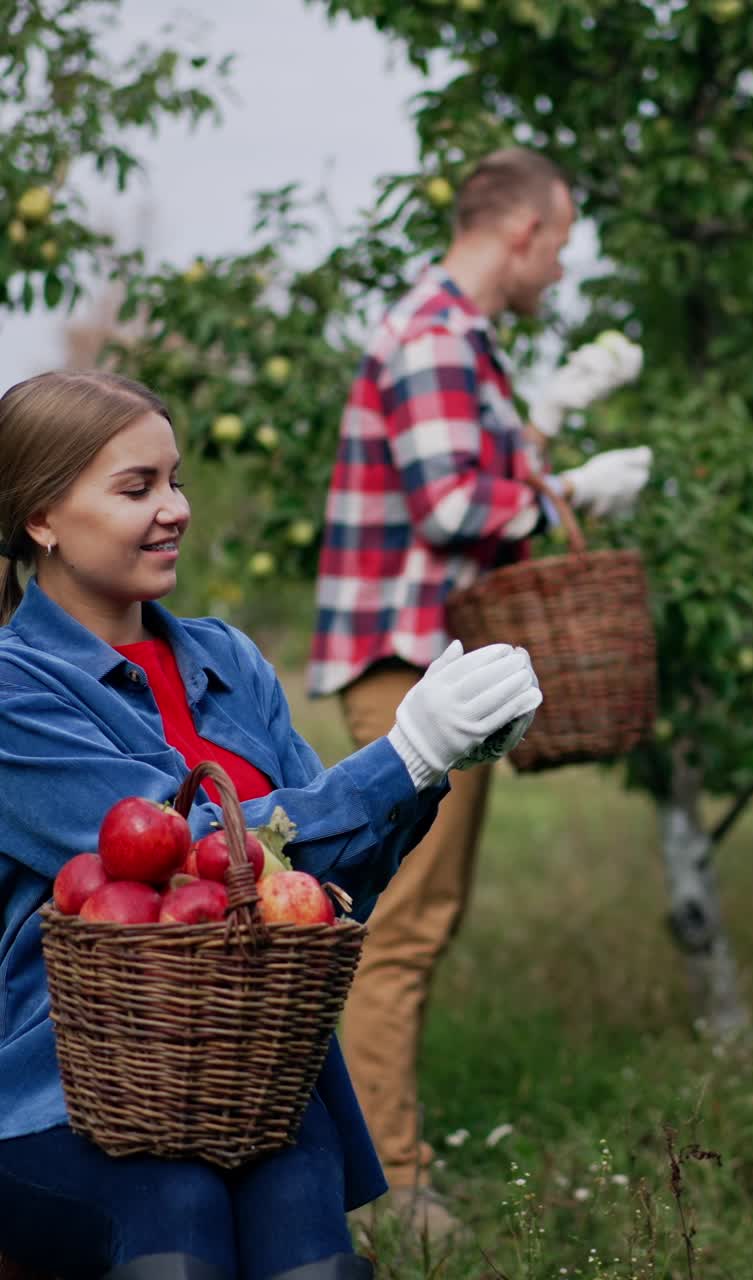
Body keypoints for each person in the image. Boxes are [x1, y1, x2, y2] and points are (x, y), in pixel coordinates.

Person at [0, 370, 543, 1280]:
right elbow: (174, 855)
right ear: (42, 520)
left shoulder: (226, 659)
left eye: (175, 480)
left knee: (309, 1249)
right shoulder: (15, 689)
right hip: (68, 1090)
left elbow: (321, 888)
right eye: (136, 489)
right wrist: (399, 756)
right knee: (178, 1229)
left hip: (252, 1081)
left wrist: (433, 764)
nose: (173, 508)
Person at [306, 146, 652, 1236]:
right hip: (405, 663)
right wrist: (565, 499)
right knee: (393, 927)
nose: (558, 265)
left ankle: (373, 1158)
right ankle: (382, 1187)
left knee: (421, 914)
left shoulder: (463, 343)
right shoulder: (431, 335)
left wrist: (543, 423)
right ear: (521, 232)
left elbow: (478, 465)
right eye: (557, 242)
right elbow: (456, 507)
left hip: (435, 656)